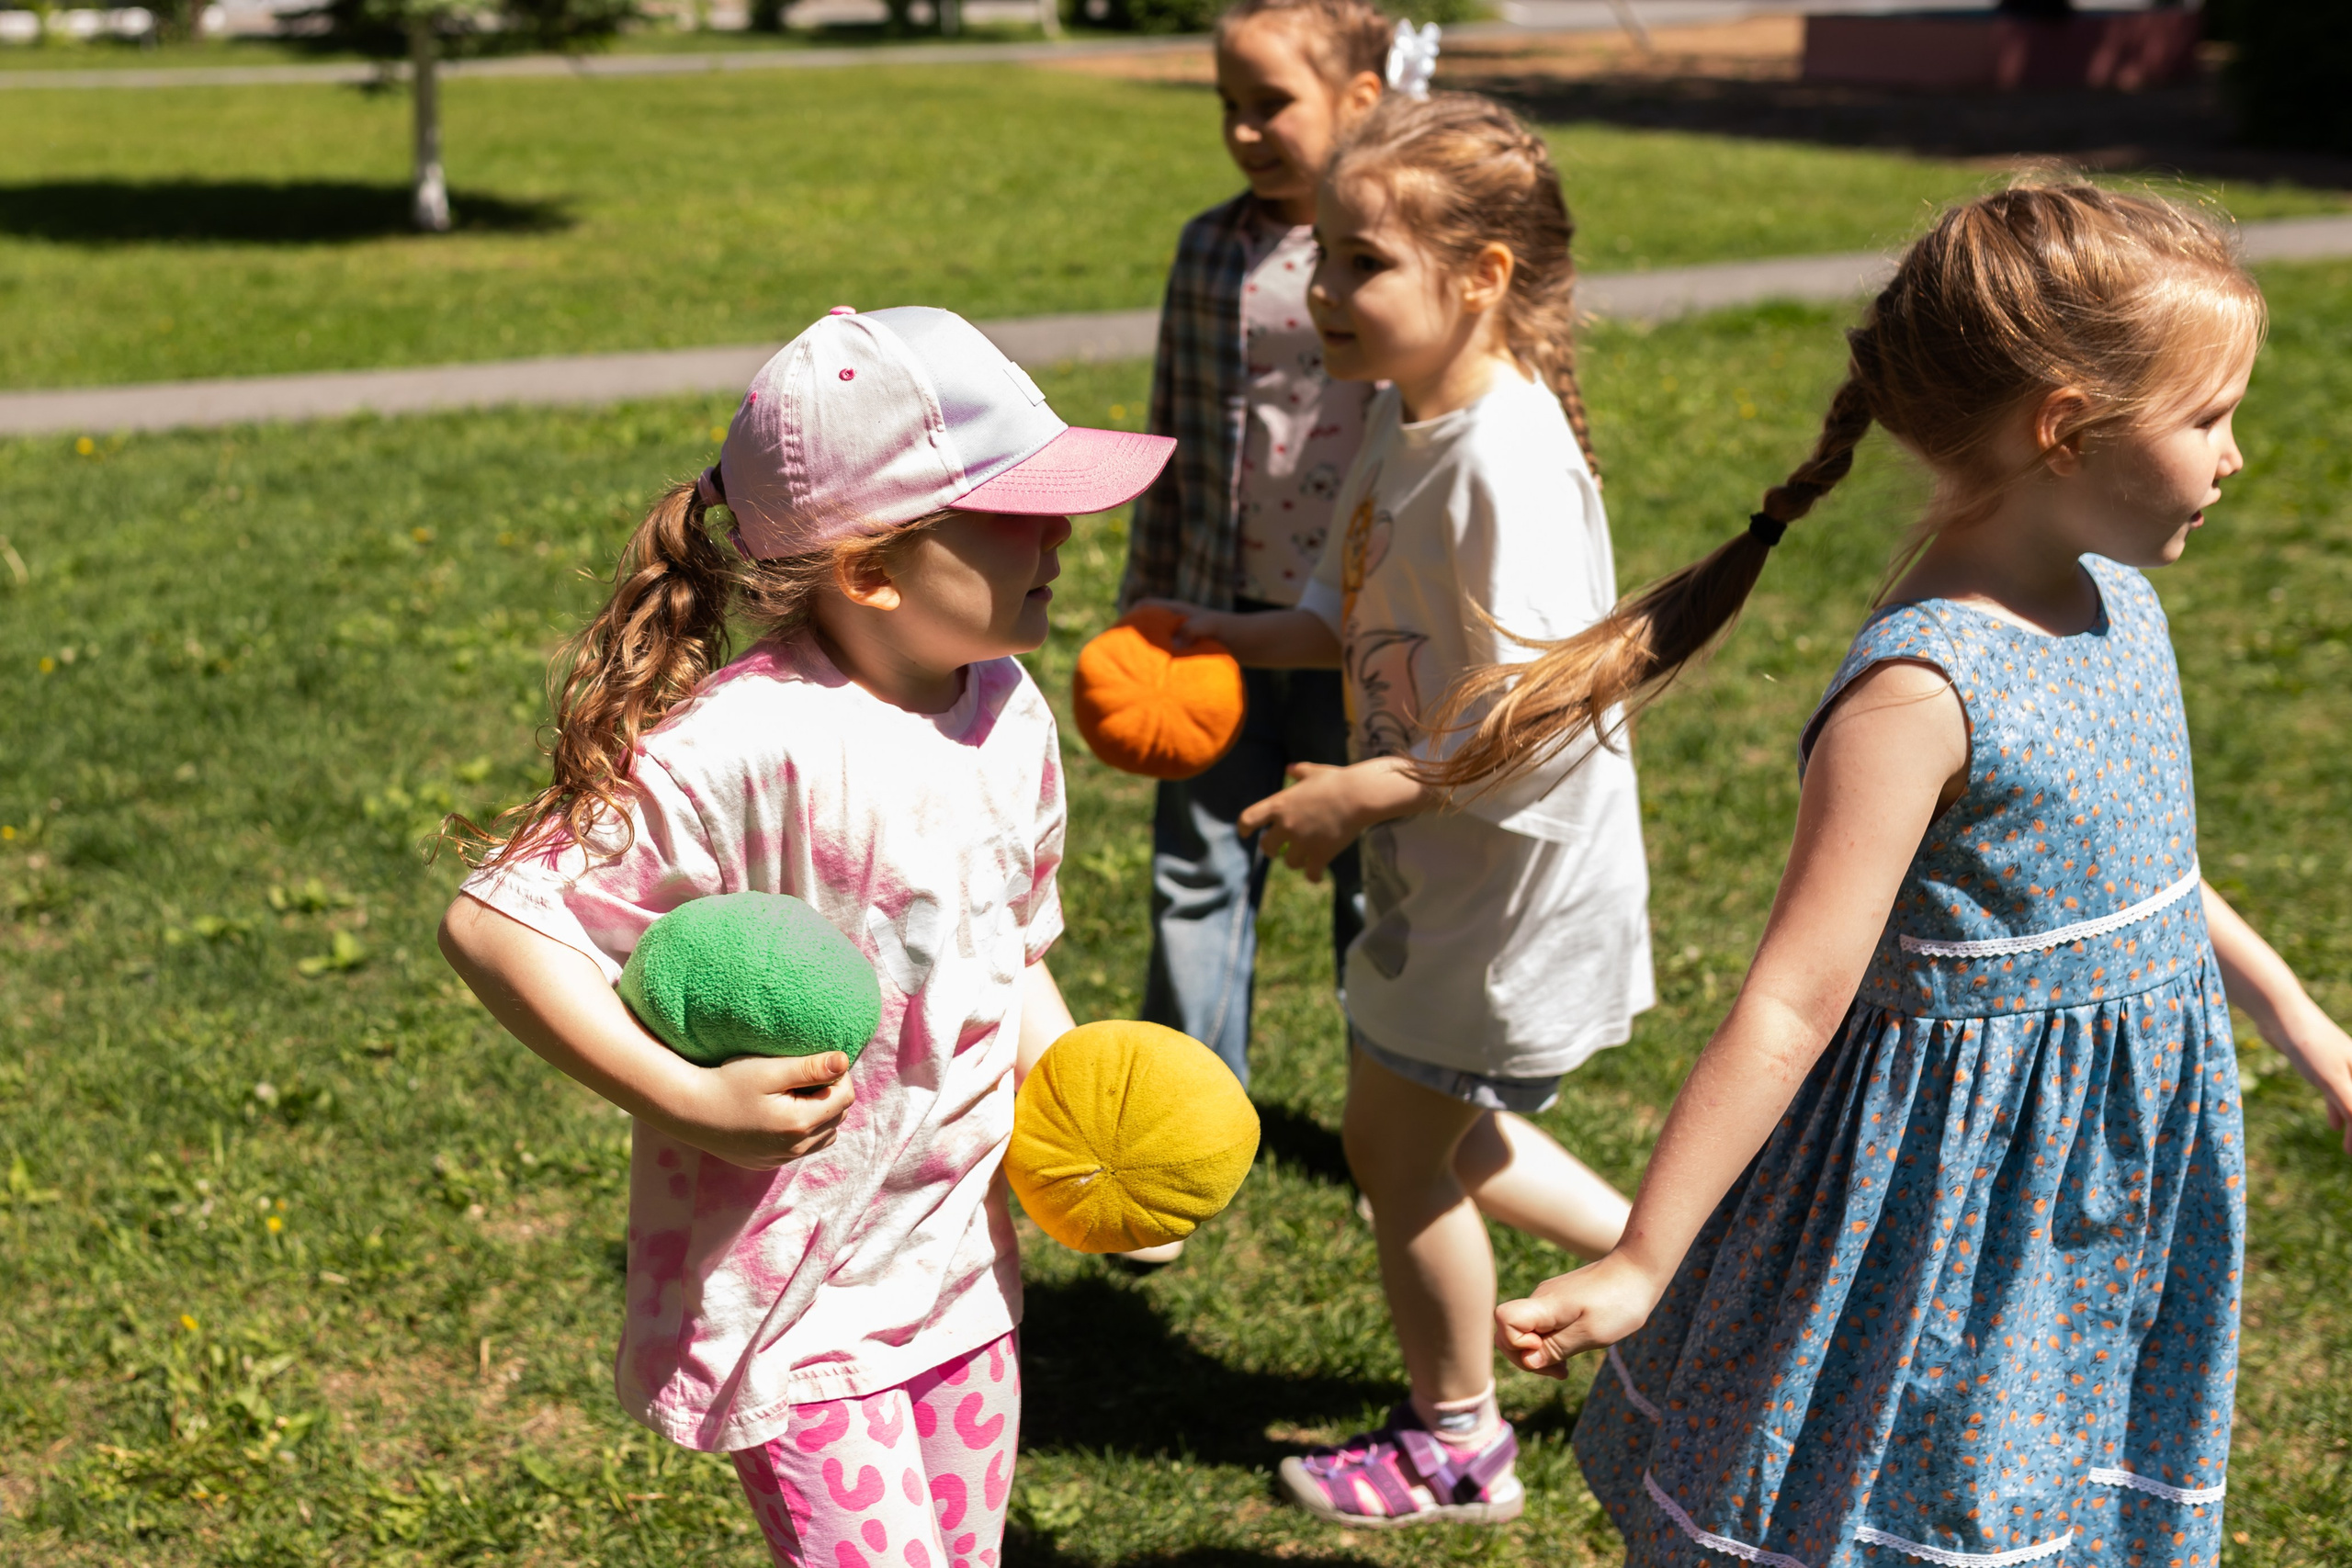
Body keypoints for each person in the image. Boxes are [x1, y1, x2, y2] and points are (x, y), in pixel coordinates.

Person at [1476, 186, 2352, 1567]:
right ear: (2066, 426)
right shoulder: (1920, 691)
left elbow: (2152, 881)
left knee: (2054, 1485)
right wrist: (1643, 1256)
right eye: (2208, 418)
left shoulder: (2119, 591)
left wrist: (2308, 1031)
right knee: (1923, 1502)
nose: (2236, 454)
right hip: (1954, 1205)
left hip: (2108, 1174)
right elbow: (1787, 1000)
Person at [436, 306, 1173, 1568]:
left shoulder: (1006, 707)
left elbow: (1012, 953)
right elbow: (498, 922)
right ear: (871, 567)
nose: (1060, 533)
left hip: (954, 1271)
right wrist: (687, 1099)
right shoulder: (744, 742)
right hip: (799, 1292)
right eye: (1013, 507)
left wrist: (1088, 1144)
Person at [1142, 92, 1653, 1527]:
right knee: (1440, 1127)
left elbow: (1544, 721)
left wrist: (1370, 790)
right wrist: (1220, 634)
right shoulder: (1405, 420)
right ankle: (1675, 1270)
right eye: (1321, 258)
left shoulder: (1506, 463)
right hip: (1446, 868)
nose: (1322, 292)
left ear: (1481, 276)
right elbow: (1344, 617)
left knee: (1395, 1149)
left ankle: (1458, 1444)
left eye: (1360, 262)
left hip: (1510, 883)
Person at [1119, 0, 1401, 1105]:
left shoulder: (1396, 251)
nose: (1243, 129)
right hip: (1211, 616)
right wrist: (1146, 593)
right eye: (1227, 105)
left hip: (1364, 632)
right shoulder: (1208, 247)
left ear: (1360, 101)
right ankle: (1185, 1126)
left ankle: (1393, 1127)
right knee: (1195, 869)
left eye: (1270, 103)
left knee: (1373, 886)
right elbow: (1171, 428)